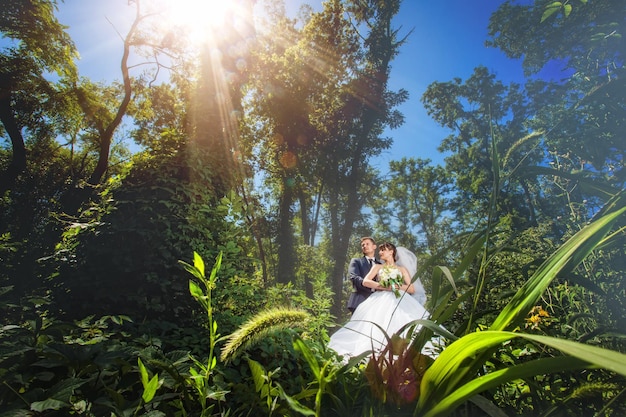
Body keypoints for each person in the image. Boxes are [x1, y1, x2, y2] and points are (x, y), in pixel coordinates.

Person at [329, 242, 432, 358]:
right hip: (380, 298)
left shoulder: (402, 269)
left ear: (391, 251)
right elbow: (366, 281)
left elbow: (411, 288)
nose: (380, 253)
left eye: (383, 250)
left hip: (400, 299)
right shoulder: (378, 267)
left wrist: (394, 286)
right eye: (380, 250)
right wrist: (383, 286)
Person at [346, 237, 380, 314]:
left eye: (367, 244)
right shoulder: (356, 261)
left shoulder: (381, 264)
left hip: (379, 302)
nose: (364, 246)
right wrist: (371, 285)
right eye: (362, 245)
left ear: (374, 246)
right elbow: (354, 277)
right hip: (360, 301)